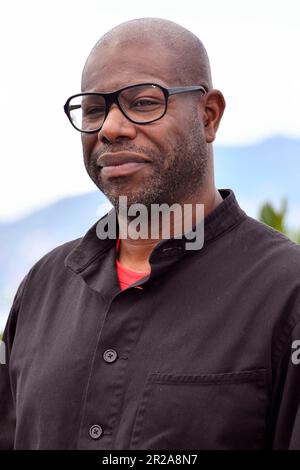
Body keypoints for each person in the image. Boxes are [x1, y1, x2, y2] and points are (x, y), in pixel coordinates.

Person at [1, 17, 300, 451]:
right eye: (94, 109)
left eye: (142, 103)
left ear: (209, 116)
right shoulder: (43, 290)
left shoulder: (286, 293)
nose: (110, 128)